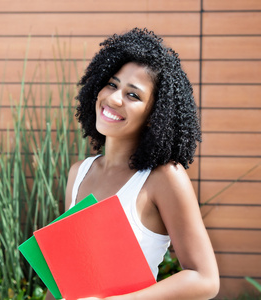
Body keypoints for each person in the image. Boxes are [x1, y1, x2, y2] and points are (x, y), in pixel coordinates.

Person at [47, 27, 219, 300]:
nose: (114, 98)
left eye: (133, 95)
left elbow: (205, 279)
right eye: (113, 85)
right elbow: (66, 276)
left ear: (154, 115)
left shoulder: (163, 178)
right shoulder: (78, 173)